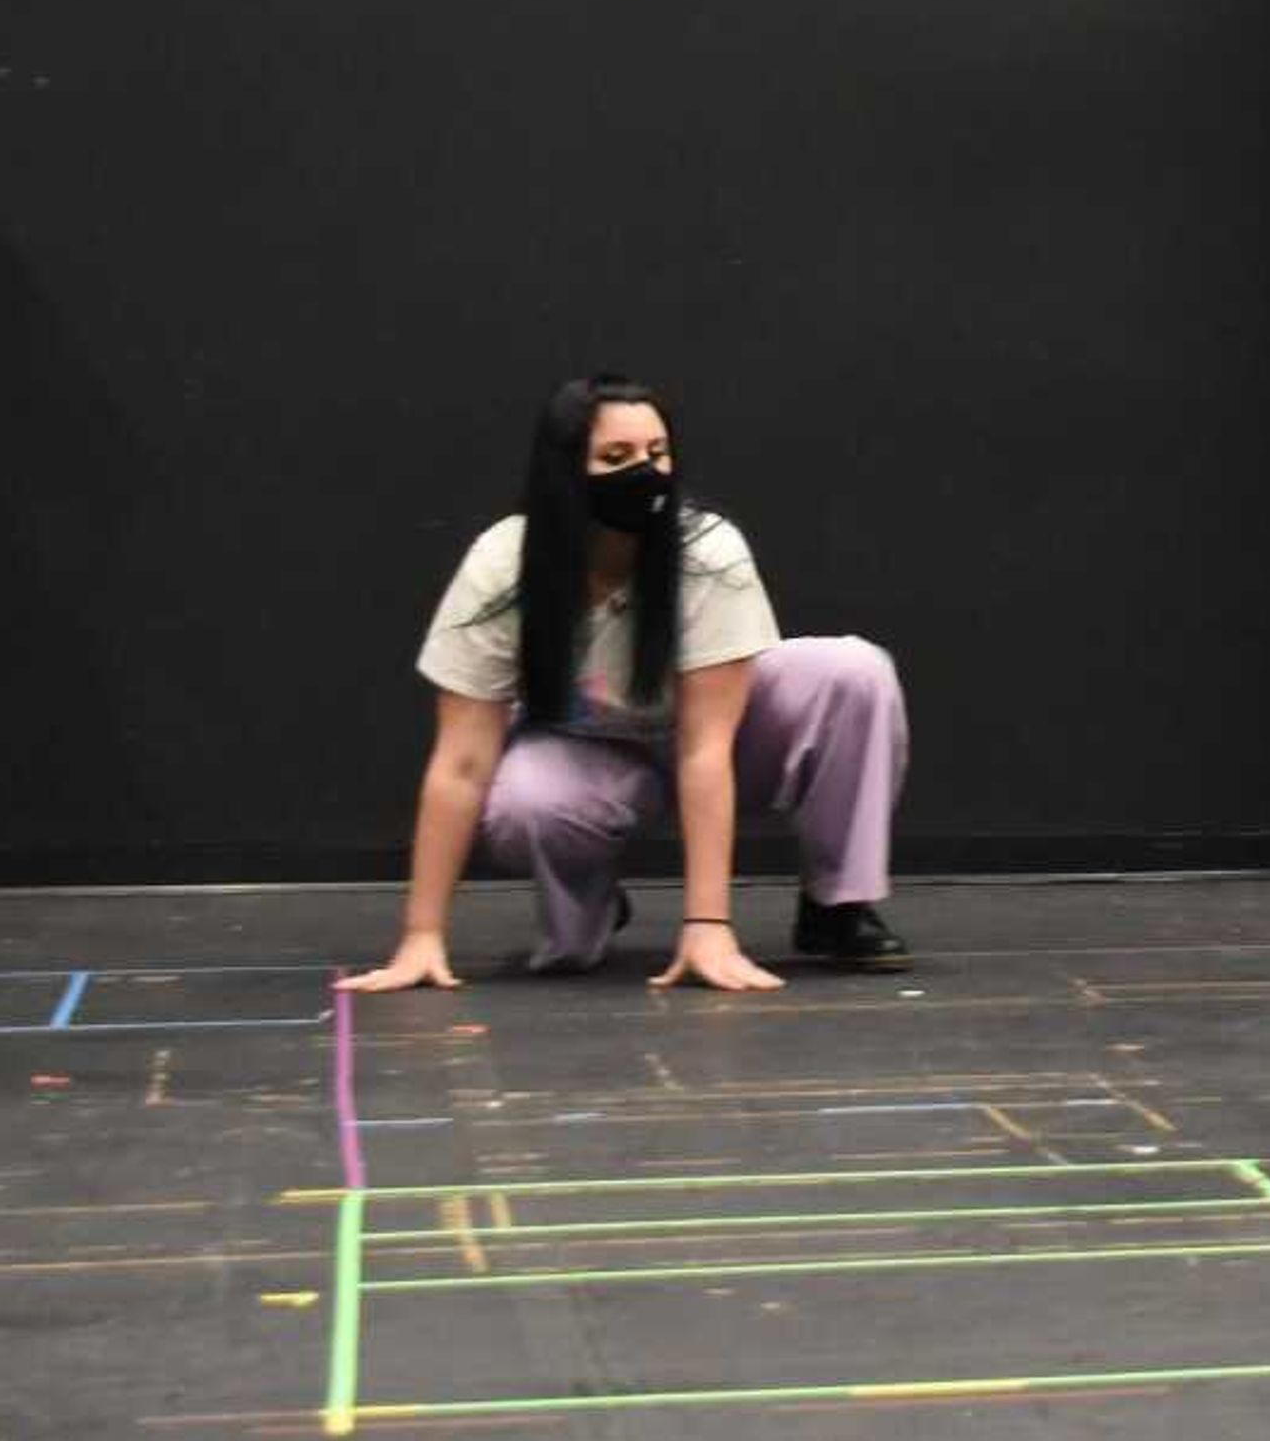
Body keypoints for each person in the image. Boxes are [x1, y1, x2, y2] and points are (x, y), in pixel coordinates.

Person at [341, 375, 913, 993]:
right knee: (523, 805)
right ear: (565, 470)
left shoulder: (708, 551)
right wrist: (422, 935)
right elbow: (460, 762)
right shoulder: (502, 565)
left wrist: (707, 925)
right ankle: (591, 908)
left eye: (657, 454)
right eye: (616, 458)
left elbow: (705, 747)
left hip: (717, 735)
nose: (644, 472)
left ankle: (837, 905)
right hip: (591, 752)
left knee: (856, 673)